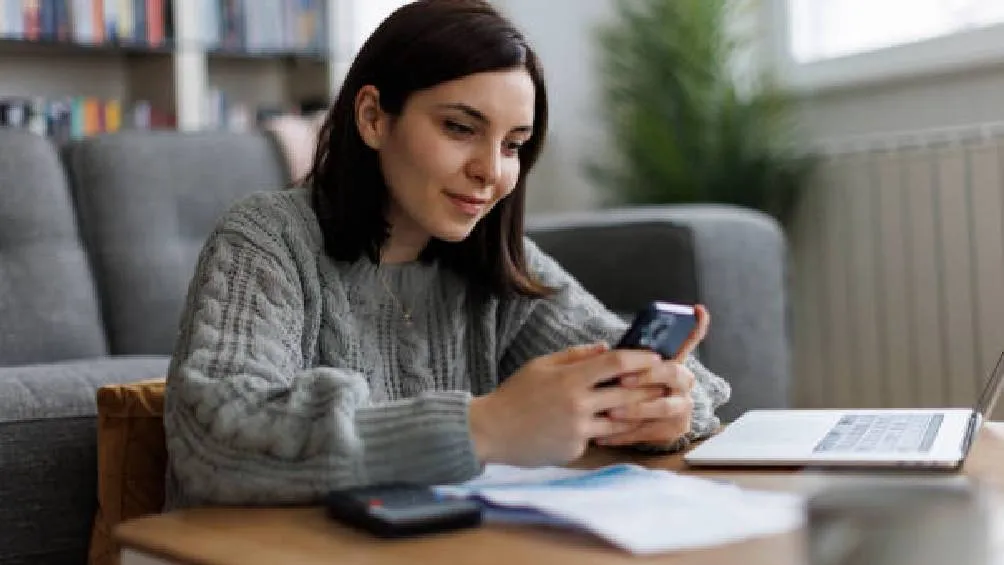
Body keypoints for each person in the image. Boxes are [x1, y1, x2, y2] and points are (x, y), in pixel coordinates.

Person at [164, 0, 730, 509]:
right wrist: (484, 427)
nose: (491, 170)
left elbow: (693, 385)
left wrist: (666, 409)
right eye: (460, 128)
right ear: (372, 118)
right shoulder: (268, 237)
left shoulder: (499, 265)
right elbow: (216, 439)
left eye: (513, 145)